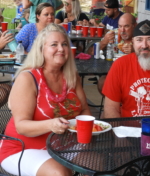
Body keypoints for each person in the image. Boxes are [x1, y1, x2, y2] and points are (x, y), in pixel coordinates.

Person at [0, 23, 91, 176]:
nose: (61, 49)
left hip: (63, 144)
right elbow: (21, 126)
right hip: (23, 148)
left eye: (64, 44)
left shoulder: (71, 76)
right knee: (60, 173)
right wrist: (51, 124)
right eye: (54, 45)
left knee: (101, 163)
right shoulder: (28, 78)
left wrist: (89, 129)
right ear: (41, 49)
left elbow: (84, 110)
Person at [96, 13, 137, 93]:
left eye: (126, 26)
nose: (122, 30)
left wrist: (136, 50)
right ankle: (113, 104)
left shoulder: (140, 38)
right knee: (102, 83)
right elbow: (90, 53)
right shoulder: (113, 34)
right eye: (120, 26)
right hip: (114, 70)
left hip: (134, 73)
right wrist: (104, 42)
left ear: (134, 26)